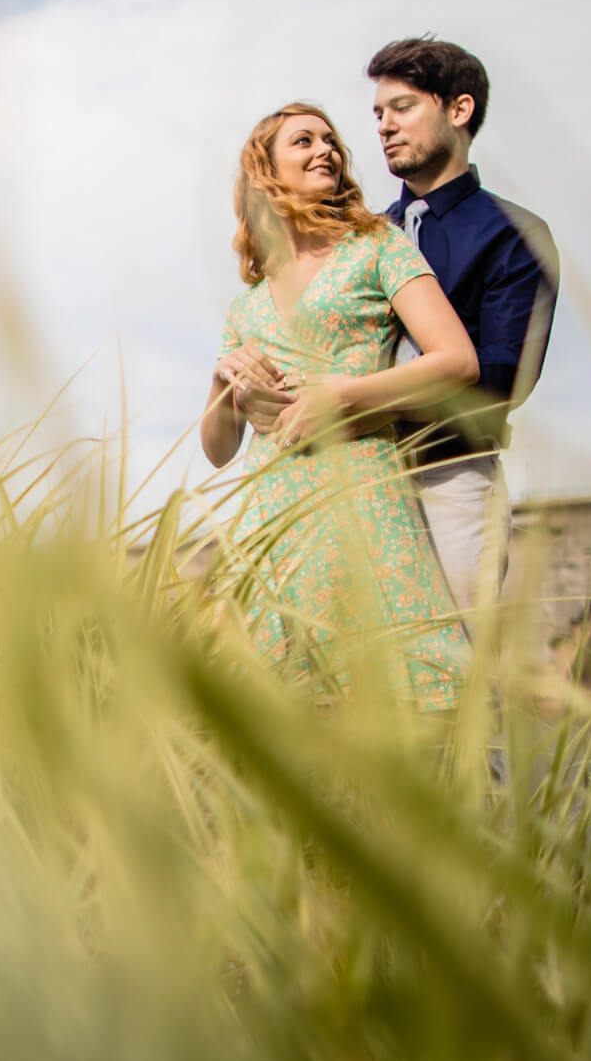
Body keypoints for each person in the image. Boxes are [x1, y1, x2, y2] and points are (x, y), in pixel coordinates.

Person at [201, 103, 480, 712]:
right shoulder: (245, 305)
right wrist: (222, 380)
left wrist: (342, 395)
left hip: (361, 493)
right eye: (304, 141)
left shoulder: (377, 247)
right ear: (265, 171)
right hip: (270, 514)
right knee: (284, 713)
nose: (326, 149)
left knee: (405, 705)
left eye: (330, 140)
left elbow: (458, 361)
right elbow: (220, 450)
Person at [368, 38, 559, 610]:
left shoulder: (516, 233)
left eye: (402, 107)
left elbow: (503, 380)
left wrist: (363, 400)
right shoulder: (363, 239)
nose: (383, 126)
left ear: (459, 109)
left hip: (449, 478)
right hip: (357, 482)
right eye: (378, 114)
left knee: (460, 669)